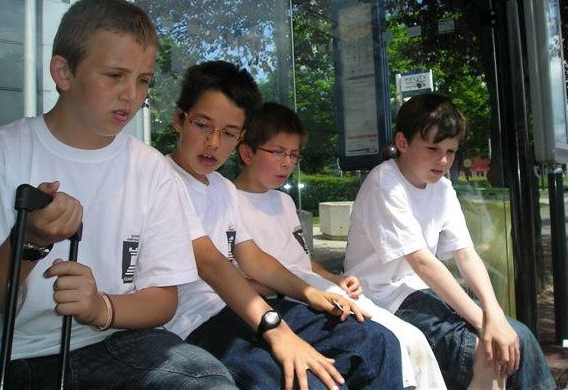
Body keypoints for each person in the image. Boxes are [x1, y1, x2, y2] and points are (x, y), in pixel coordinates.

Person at [0, 0, 236, 389]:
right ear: (64, 73)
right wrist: (30, 242)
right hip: (16, 354)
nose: (131, 95)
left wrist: (101, 307)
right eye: (114, 75)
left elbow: (163, 299)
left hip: (116, 341)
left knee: (206, 381)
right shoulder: (3, 155)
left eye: (143, 80)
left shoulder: (151, 168)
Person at [164, 60, 403, 390]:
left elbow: (254, 258)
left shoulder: (222, 188)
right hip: (196, 322)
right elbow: (211, 263)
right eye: (203, 125)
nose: (213, 143)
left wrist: (312, 293)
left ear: (240, 137)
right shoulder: (162, 180)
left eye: (229, 132)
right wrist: (277, 330)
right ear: (179, 119)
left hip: (247, 309)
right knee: (309, 382)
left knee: (377, 343)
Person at [343, 93, 555, 390]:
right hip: (383, 300)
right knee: (488, 351)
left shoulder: (441, 187)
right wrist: (483, 322)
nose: (443, 160)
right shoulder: (384, 184)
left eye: (451, 151)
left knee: (518, 336)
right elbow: (422, 262)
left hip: (422, 293)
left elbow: (466, 254)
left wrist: (493, 313)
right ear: (402, 143)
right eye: (432, 148)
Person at [234, 101, 446, 389]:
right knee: (384, 341)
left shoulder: (283, 201)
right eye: (279, 152)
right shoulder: (229, 201)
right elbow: (235, 276)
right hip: (286, 303)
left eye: (294, 155)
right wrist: (300, 289)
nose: (287, 163)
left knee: (411, 339)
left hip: (317, 291)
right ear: (247, 152)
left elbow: (301, 259)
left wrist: (335, 278)